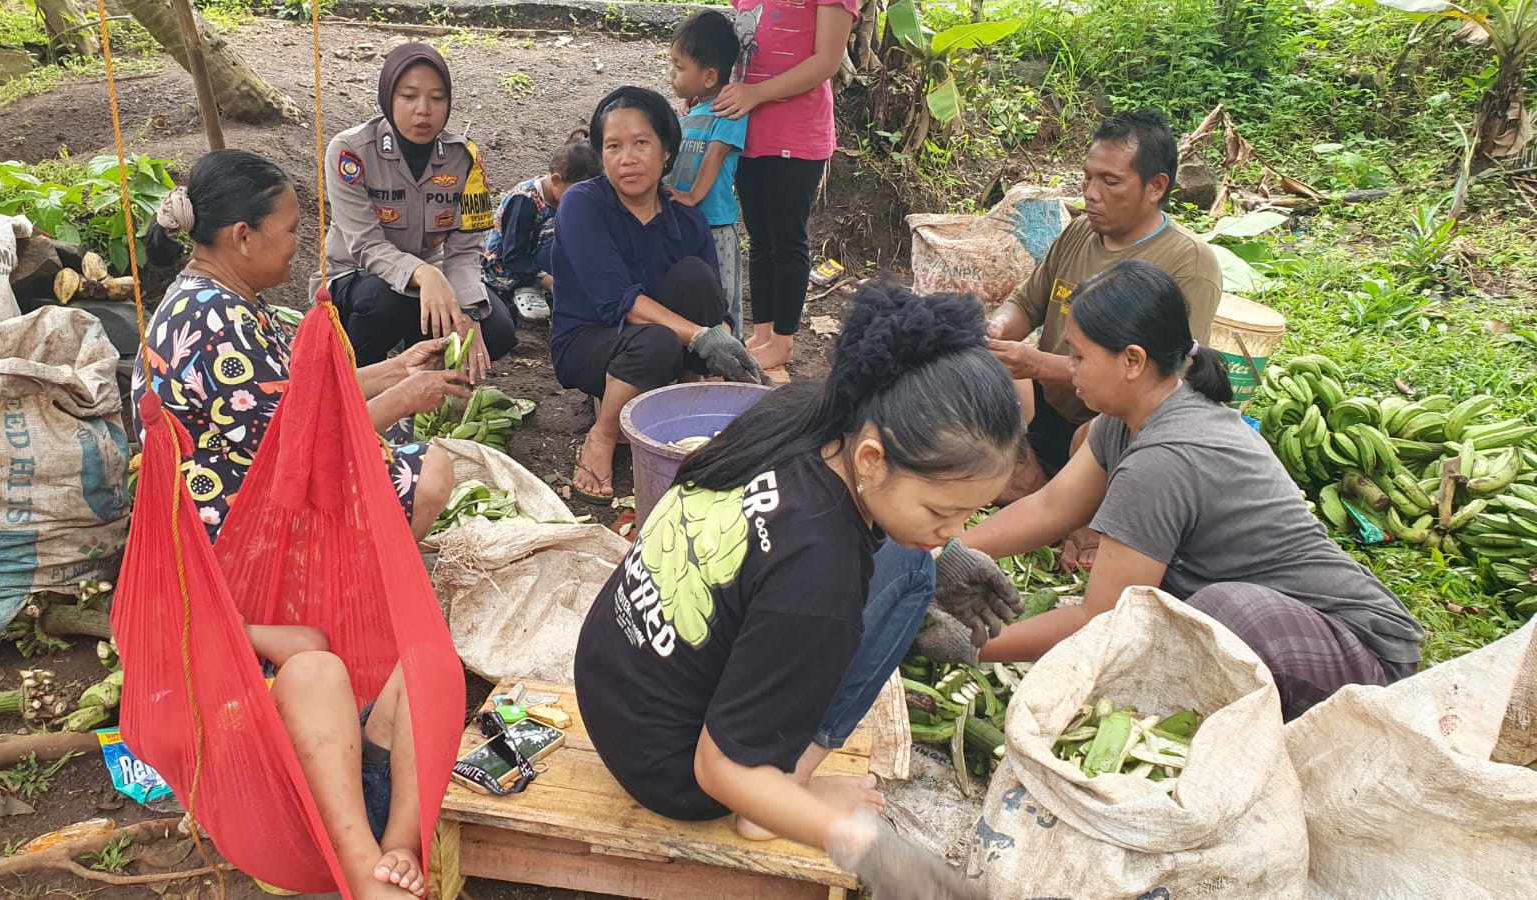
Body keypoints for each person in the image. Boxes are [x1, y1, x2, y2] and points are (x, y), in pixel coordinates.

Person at [574, 281, 1023, 900]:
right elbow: (717, 767)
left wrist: (937, 546)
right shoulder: (820, 578)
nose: (955, 530)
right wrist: (867, 847)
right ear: (871, 460)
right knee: (909, 576)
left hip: (608, 683)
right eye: (945, 511)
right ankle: (781, 789)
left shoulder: (805, 411)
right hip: (674, 770)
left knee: (914, 564)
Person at [959, 260, 1423, 720]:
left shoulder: (1164, 456)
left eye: (1080, 356)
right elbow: (1049, 506)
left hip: (1364, 656)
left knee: (1206, 616)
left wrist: (968, 647)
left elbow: (1102, 620)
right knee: (1185, 623)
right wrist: (945, 555)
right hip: (1301, 628)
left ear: (1133, 361)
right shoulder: (1127, 419)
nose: (1069, 368)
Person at [136, 149, 471, 544]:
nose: (299, 243)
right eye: (292, 230)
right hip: (231, 525)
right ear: (243, 237)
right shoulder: (220, 324)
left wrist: (397, 370)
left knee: (395, 444)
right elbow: (300, 446)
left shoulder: (209, 296)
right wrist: (403, 398)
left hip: (227, 488)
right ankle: (320, 591)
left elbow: (295, 397)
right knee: (427, 473)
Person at [985, 108, 1222, 570]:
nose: (1090, 194)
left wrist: (1037, 363)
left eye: (1110, 182)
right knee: (983, 364)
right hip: (1047, 408)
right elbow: (1026, 303)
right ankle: (1029, 470)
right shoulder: (1077, 233)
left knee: (1097, 433)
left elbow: (1169, 378)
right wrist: (995, 330)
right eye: (1087, 177)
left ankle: (1088, 515)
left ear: (1156, 187)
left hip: (1111, 428)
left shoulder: (1189, 261)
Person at [551, 86, 764, 503]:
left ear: (667, 150)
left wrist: (728, 345)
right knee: (658, 342)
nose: (627, 158)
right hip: (590, 342)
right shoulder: (582, 204)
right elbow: (619, 301)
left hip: (664, 339)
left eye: (641, 143)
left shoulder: (687, 221)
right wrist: (703, 337)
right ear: (601, 155)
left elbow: (712, 308)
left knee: (695, 276)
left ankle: (688, 408)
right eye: (613, 146)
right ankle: (603, 435)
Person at [319, 42, 515, 372]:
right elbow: (364, 245)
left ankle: (424, 382)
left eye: (437, 98)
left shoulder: (466, 160)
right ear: (388, 97)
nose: (423, 109)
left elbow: (465, 250)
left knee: (496, 329)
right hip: (357, 277)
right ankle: (360, 386)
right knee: (380, 303)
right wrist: (422, 274)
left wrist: (467, 310)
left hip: (431, 280)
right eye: (409, 96)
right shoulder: (349, 152)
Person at [716, 0, 856, 371]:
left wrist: (756, 94)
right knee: (760, 238)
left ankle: (783, 340)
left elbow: (827, 62)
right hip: (748, 130)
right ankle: (764, 334)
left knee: (786, 238)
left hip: (796, 135)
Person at [250, 626, 428, 899]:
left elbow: (313, 643)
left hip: (363, 781)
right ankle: (365, 875)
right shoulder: (188, 686)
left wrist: (240, 630)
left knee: (422, 663)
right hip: (302, 818)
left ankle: (399, 849)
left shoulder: (242, 644)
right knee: (307, 672)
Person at [665, 10, 748, 337]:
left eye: (679, 67)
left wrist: (693, 196)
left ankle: (729, 354)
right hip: (683, 222)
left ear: (710, 76)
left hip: (714, 225)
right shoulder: (688, 111)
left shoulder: (728, 112)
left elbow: (716, 154)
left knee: (720, 297)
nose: (672, 74)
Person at [482, 130, 602, 323]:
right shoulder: (524, 201)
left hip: (539, 257)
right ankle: (528, 287)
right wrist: (550, 282)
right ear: (556, 180)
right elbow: (512, 254)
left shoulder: (564, 199)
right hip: (507, 268)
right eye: (578, 194)